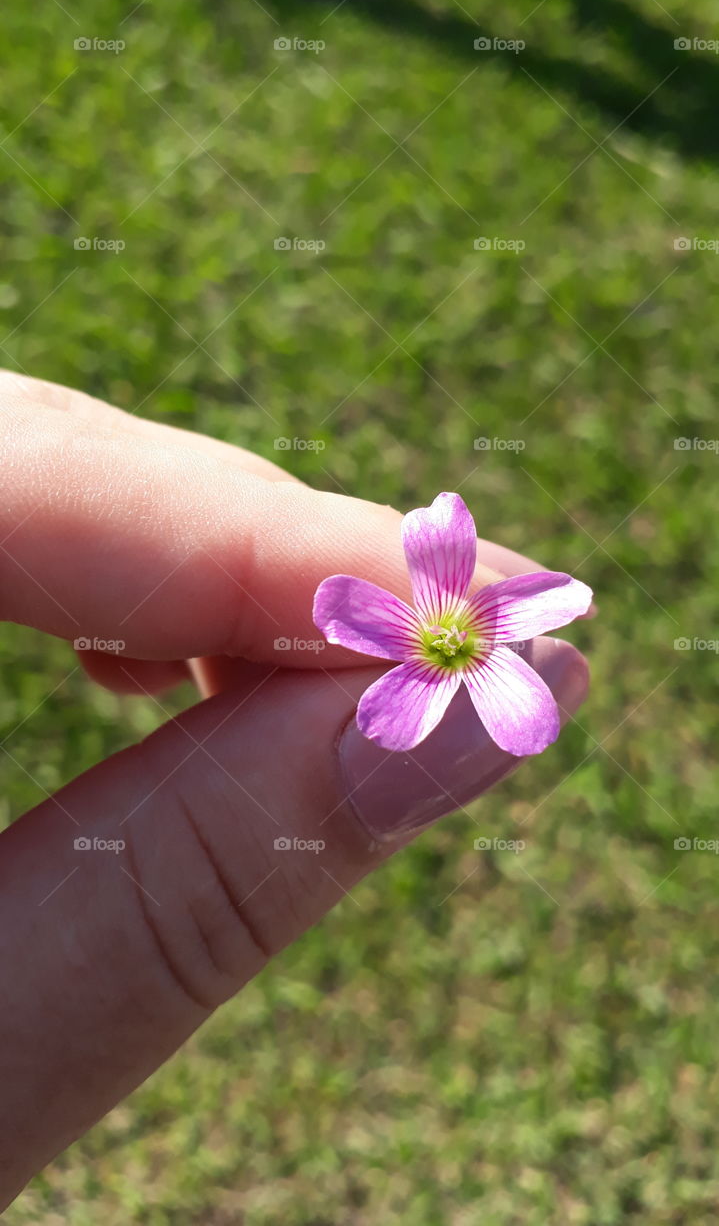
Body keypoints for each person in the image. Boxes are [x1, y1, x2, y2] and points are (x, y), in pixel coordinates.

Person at [0, 372, 590, 1207]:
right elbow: (356, 629)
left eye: (459, 630)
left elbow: (533, 639)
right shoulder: (408, 626)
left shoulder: (466, 629)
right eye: (446, 628)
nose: (453, 630)